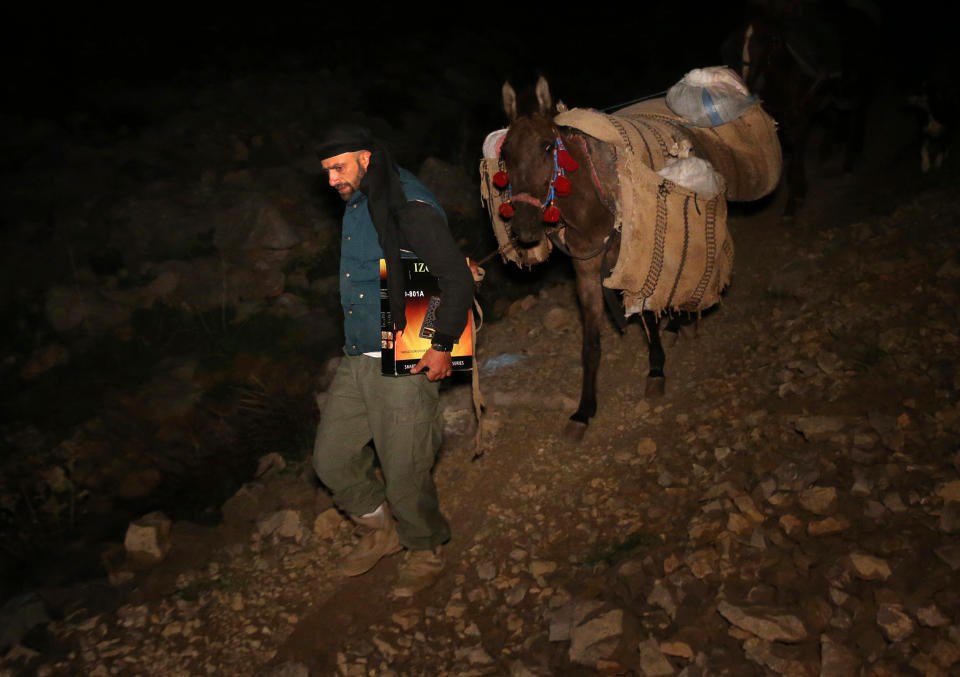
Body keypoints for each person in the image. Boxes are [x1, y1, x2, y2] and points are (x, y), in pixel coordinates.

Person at [312, 124, 473, 597]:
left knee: (404, 468)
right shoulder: (363, 198)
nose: (331, 181)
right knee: (331, 459)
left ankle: (424, 548)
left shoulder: (410, 204)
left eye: (337, 167)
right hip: (359, 351)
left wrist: (441, 345)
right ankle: (382, 528)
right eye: (325, 172)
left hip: (406, 350)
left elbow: (455, 279)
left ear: (365, 156)